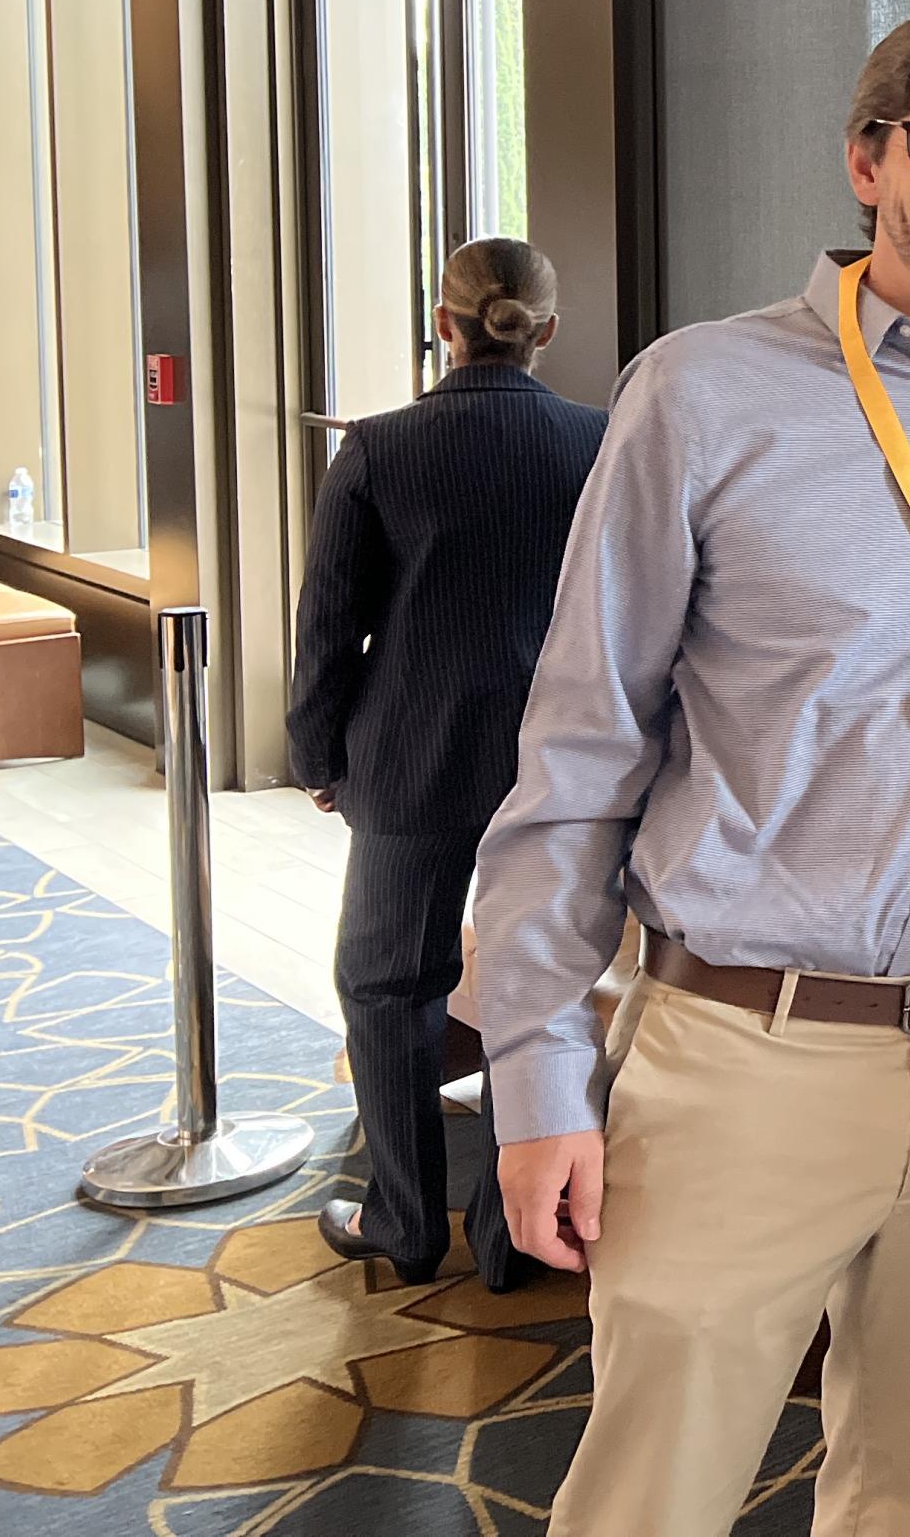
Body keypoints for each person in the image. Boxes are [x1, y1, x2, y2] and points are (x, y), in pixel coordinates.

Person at [472, 6, 910, 1537]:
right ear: (869, 158)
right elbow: (580, 745)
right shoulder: (702, 392)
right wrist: (533, 1072)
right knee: (651, 1497)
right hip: (746, 1052)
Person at [286, 237, 605, 1289]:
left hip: (408, 756)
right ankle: (511, 1240)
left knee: (387, 986)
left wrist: (317, 752)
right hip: (558, 761)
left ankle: (404, 1222)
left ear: (444, 321)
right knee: (533, 986)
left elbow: (329, 626)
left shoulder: (378, 449)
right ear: (546, 330)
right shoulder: (599, 444)